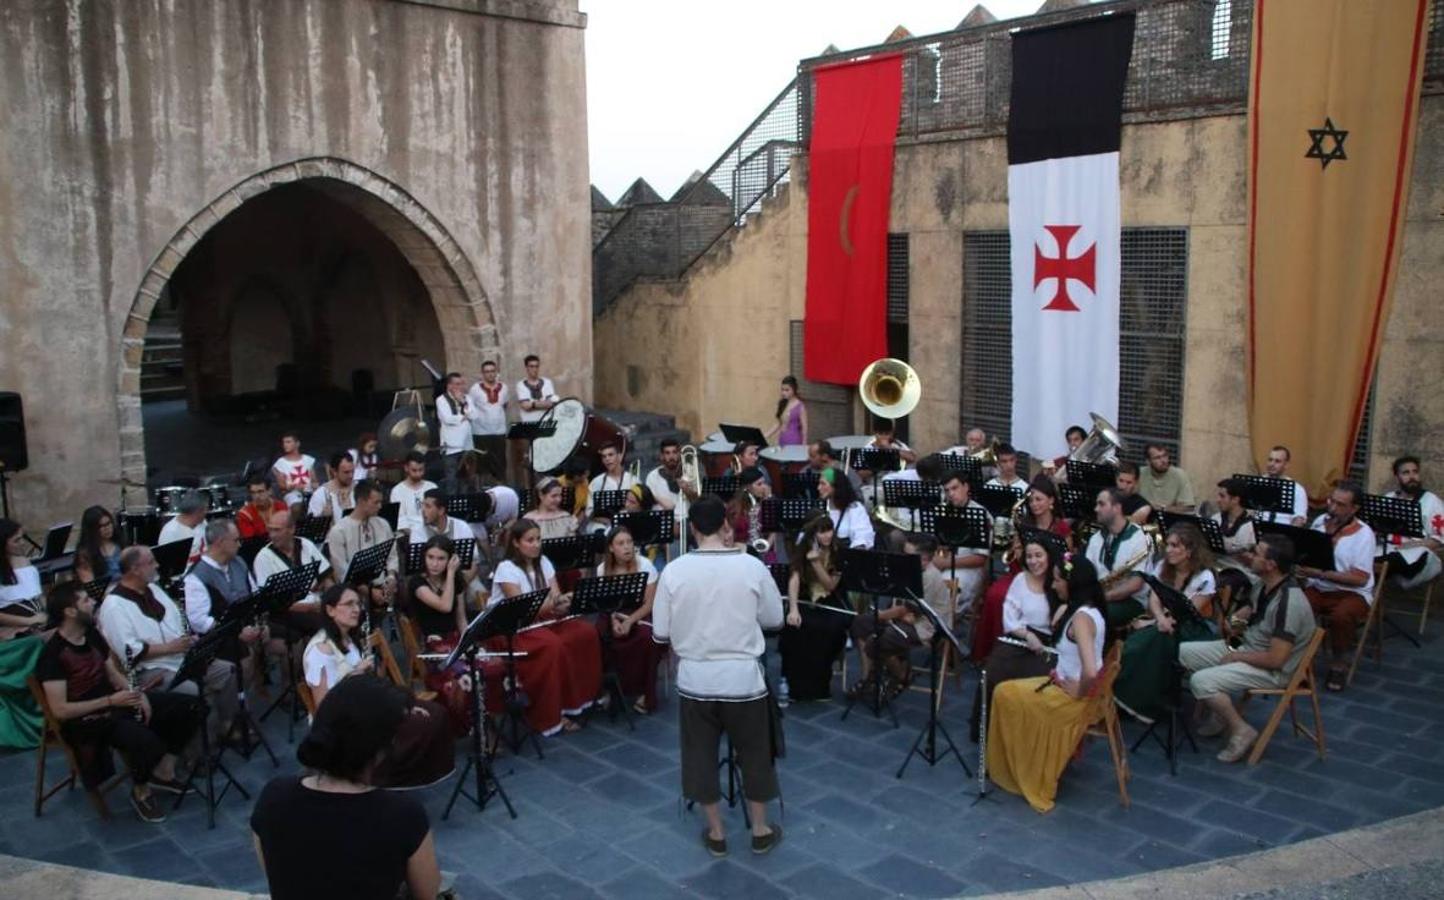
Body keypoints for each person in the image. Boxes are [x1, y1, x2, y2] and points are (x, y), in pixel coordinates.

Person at [652, 495, 783, 857]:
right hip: (743, 679)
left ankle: (716, 833)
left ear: (692, 528)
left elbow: (661, 633)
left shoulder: (674, 572)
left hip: (696, 680)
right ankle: (759, 829)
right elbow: (774, 620)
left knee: (699, 755)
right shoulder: (751, 566)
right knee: (756, 753)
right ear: (725, 525)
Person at [251, 674, 442, 900]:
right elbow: (428, 894)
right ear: (380, 749)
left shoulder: (273, 797)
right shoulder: (402, 815)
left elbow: (274, 872)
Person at [38, 582, 200, 822]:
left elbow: (112, 673)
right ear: (70, 612)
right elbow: (60, 711)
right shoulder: (53, 656)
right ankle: (141, 792)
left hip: (116, 704)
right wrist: (110, 700)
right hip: (88, 721)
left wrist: (137, 694)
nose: (93, 603)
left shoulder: (91, 635)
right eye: (85, 600)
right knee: (146, 741)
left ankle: (163, 772)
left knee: (192, 706)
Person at [986, 557, 1109, 813]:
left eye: (1058, 580)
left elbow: (1090, 670)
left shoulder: (1082, 620)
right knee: (1005, 690)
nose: (1054, 585)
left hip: (1072, 698)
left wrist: (1079, 691)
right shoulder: (1083, 610)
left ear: (1071, 583)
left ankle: (1020, 768)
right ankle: (1018, 762)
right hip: (1062, 682)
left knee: (1004, 694)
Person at [1182, 534, 1318, 763]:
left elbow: (1276, 659)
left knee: (1201, 681)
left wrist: (1237, 656)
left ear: (1271, 565)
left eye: (1256, 553)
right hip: (1249, 647)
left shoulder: (1289, 603)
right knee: (1183, 652)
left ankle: (1240, 729)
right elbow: (1254, 615)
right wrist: (1234, 622)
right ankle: (1219, 711)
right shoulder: (1264, 586)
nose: (1250, 557)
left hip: (1273, 670)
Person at [302, 585, 455, 788]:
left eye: (357, 603)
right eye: (348, 604)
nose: (356, 609)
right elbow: (324, 707)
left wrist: (399, 702)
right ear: (330, 610)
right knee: (419, 724)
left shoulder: (347, 638)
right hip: (345, 721)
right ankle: (387, 779)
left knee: (436, 712)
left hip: (366, 707)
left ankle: (408, 775)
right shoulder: (321, 650)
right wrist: (356, 674)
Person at [98, 547, 238, 742]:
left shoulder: (154, 589)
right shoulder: (114, 606)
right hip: (151, 670)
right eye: (151, 562)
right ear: (135, 569)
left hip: (182, 658)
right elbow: (129, 651)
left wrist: (188, 640)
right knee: (192, 690)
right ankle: (194, 753)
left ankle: (227, 727)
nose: (157, 565)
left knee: (227, 671)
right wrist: (170, 647)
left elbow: (176, 623)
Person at [487, 519, 602, 735]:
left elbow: (554, 596)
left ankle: (580, 701)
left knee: (586, 632)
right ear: (516, 543)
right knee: (552, 645)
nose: (536, 544)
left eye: (538, 539)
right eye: (530, 540)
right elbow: (522, 609)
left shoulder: (544, 562)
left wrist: (564, 602)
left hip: (542, 619)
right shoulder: (506, 568)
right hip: (512, 628)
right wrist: (556, 603)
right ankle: (551, 713)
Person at [1112, 523, 1218, 724]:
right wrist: (1159, 619)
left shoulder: (1205, 577)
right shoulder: (1163, 567)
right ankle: (1129, 698)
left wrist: (1156, 623)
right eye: (1168, 544)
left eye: (1175, 546)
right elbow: (1154, 598)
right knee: (1143, 641)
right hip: (1164, 623)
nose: (1168, 550)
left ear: (1189, 551)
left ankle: (1143, 703)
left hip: (1192, 630)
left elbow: (1191, 612)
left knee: (1146, 642)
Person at [971, 478, 1072, 662]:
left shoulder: (1061, 527)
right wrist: (1020, 551)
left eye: (1039, 499)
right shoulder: (1025, 524)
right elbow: (1017, 553)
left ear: (1051, 501)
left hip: (1051, 577)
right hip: (1023, 572)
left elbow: (1067, 557)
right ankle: (994, 651)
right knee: (995, 595)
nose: (1034, 504)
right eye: (1031, 500)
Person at [971, 536, 1060, 740]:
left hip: (1047, 644)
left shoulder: (1058, 582)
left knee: (1031, 689)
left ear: (1049, 557)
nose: (1033, 561)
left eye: (1038, 555)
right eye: (1029, 556)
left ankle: (1021, 738)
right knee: (991, 674)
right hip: (1020, 636)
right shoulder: (1020, 580)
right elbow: (1009, 618)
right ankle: (987, 734)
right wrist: (1027, 635)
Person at [848, 533, 954, 703]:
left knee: (880, 640)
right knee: (861, 623)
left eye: (908, 554)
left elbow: (908, 608)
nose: (902, 557)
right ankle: (869, 677)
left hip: (926, 626)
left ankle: (902, 675)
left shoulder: (930, 576)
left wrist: (882, 616)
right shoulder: (910, 569)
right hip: (906, 618)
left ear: (924, 559)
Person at [1299, 481, 1377, 692]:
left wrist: (1321, 573)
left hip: (1351, 593)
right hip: (1319, 587)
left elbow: (1360, 579)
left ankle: (1339, 663)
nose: (1332, 508)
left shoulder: (1364, 534)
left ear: (1354, 509)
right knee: (1296, 607)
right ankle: (1298, 663)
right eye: (1331, 501)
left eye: (1341, 505)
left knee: (1341, 616)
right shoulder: (1319, 523)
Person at [778, 513, 851, 703]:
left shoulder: (839, 551)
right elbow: (794, 578)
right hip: (806, 598)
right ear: (813, 533)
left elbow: (830, 586)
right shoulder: (802, 548)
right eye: (822, 531)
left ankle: (820, 686)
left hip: (832, 600)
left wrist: (816, 563)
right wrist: (793, 608)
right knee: (795, 628)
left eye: (829, 530)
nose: (827, 535)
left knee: (827, 629)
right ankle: (794, 685)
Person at [183, 520, 264, 685]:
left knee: (284, 633)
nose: (239, 544)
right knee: (244, 658)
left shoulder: (239, 563)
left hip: (245, 624)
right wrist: (236, 632)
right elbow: (199, 622)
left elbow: (254, 594)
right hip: (218, 636)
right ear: (220, 543)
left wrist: (256, 624)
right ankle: (237, 703)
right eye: (236, 540)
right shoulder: (196, 576)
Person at [595, 525, 665, 714]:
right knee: (600, 636)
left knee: (648, 637)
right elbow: (604, 603)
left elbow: (649, 603)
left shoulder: (645, 565)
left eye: (629, 542)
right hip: (612, 613)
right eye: (621, 543)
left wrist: (629, 621)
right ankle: (609, 689)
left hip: (640, 613)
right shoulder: (603, 569)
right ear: (611, 548)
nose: (627, 547)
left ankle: (646, 693)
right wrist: (614, 621)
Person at [252, 507, 332, 637]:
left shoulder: (306, 544)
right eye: (270, 530)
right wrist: (312, 607)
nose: (272, 535)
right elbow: (271, 602)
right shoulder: (263, 558)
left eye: (277, 530)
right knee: (327, 624)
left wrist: (333, 599)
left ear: (291, 529)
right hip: (287, 612)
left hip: (318, 603)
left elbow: (327, 577)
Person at [1084, 488, 1153, 627]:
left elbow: (1135, 584)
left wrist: (1103, 597)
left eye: (1101, 504)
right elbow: (1087, 574)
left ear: (1117, 508)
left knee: (1094, 616)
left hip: (1132, 601)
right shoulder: (1096, 538)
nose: (1096, 509)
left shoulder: (1139, 538)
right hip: (1101, 596)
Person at [328, 481, 400, 610]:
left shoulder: (383, 524)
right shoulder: (339, 531)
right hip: (355, 591)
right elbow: (343, 573)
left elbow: (392, 555)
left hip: (382, 585)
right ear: (361, 501)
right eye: (376, 502)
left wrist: (391, 576)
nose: (380, 506)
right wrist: (369, 591)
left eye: (380, 502)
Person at [1383, 455, 1443, 591]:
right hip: (1387, 550)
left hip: (1417, 557)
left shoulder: (1431, 501)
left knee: (1386, 562)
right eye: (1406, 473)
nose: (1412, 477)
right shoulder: (1388, 499)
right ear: (1396, 477)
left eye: (1415, 472)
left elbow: (1440, 538)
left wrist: (1414, 545)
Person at [938, 470, 990, 610]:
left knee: (944, 588)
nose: (951, 494)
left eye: (954, 488)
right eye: (947, 490)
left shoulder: (980, 514)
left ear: (966, 487)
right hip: (946, 563)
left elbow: (980, 559)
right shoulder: (942, 511)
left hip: (969, 568)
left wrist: (945, 563)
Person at [514, 354, 559, 484]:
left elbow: (552, 403)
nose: (534, 369)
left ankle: (547, 488)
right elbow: (525, 405)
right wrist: (541, 403)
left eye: (536, 366)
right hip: (529, 426)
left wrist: (533, 403)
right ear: (526, 368)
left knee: (547, 458)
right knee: (529, 460)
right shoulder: (521, 385)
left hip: (546, 425)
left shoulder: (547, 382)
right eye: (531, 366)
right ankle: (531, 493)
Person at [466, 359, 510, 484]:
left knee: (500, 463)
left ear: (496, 372)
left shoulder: (504, 388)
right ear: (482, 374)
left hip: (499, 431)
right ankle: (484, 491)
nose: (490, 374)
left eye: (492, 371)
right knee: (482, 464)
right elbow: (470, 407)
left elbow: (505, 405)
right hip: (480, 432)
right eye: (487, 372)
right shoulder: (475, 389)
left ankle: (501, 489)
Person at [0, 518, 45, 637]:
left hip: (39, 620)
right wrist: (30, 621)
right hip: (15, 629)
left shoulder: (25, 562)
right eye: (16, 540)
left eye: (22, 538)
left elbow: (38, 596)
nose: (22, 543)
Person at [646, 438, 698, 529]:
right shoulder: (652, 476)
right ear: (662, 456)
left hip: (689, 521)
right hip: (665, 523)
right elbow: (649, 503)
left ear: (679, 454)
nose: (671, 457)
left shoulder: (689, 474)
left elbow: (697, 502)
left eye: (674, 452)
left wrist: (687, 491)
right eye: (667, 453)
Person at [728, 468, 778, 562]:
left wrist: (766, 546)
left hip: (764, 551)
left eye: (764, 483)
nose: (764, 487)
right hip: (743, 552)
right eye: (759, 484)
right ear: (747, 487)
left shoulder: (766, 503)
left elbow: (773, 531)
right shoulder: (735, 507)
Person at [584, 443, 638, 528]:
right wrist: (609, 521)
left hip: (628, 523)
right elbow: (589, 511)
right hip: (602, 525)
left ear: (620, 456)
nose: (607, 459)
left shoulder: (633, 480)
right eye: (604, 456)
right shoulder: (596, 482)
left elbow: (640, 506)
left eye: (610, 455)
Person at [819, 466, 873, 551]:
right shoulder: (820, 509)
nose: (818, 488)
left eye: (823, 484)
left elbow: (862, 535)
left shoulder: (855, 508)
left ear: (835, 486)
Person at [73, 506, 127, 586]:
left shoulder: (120, 543)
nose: (107, 528)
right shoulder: (85, 553)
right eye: (101, 526)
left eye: (109, 523)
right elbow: (90, 584)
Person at [436, 372, 473, 489]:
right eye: (457, 384)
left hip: (466, 445)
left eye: (462, 384)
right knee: (451, 479)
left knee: (466, 479)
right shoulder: (441, 400)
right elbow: (447, 419)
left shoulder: (467, 398)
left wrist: (462, 403)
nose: (460, 387)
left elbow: (474, 415)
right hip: (451, 446)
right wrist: (464, 416)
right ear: (449, 386)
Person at [1212, 478, 1259, 569]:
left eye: (1222, 496)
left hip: (1240, 573)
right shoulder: (1216, 519)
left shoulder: (1251, 527)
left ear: (1235, 500)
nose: (1218, 500)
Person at [389, 451, 437, 538]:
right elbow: (401, 521)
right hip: (407, 537)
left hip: (431, 534)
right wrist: (416, 536)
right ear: (406, 468)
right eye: (414, 470)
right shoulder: (397, 491)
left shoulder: (432, 486)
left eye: (421, 470)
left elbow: (437, 515)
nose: (418, 474)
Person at [1259, 445, 1309, 525]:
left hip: (1282, 533)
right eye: (1270, 460)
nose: (1272, 464)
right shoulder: (1258, 483)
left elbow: (1299, 519)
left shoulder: (1297, 490)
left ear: (1286, 465)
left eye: (1277, 461)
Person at [157, 490, 208, 568]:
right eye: (205, 509)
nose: (206, 512)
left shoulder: (203, 522)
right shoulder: (170, 533)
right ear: (198, 512)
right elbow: (168, 567)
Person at [1137, 444, 1195, 511]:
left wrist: (1163, 508)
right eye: (1157, 458)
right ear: (1148, 461)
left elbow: (1188, 507)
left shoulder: (1179, 475)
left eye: (1165, 456)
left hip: (1170, 518)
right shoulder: (1140, 473)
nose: (1163, 461)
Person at [308, 451, 357, 523]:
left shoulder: (360, 489)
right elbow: (311, 525)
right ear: (334, 471)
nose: (351, 476)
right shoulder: (321, 494)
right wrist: (323, 517)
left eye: (352, 471)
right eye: (346, 472)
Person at [272, 432, 318, 505]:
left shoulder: (308, 459)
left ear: (297, 444)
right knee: (297, 504)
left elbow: (314, 480)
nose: (285, 445)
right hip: (291, 493)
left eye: (288, 442)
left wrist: (316, 490)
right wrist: (293, 487)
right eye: (284, 443)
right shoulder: (280, 463)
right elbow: (281, 486)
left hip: (309, 492)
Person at [764, 375, 808, 447]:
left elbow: (804, 428)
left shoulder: (800, 406)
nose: (784, 392)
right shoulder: (783, 403)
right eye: (782, 389)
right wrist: (766, 435)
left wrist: (804, 444)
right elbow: (779, 423)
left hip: (794, 439)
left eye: (787, 390)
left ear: (794, 390)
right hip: (782, 438)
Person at [236, 474, 282, 540]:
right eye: (253, 493)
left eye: (260, 491)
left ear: (270, 491)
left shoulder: (281, 507)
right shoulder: (244, 515)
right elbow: (251, 542)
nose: (256, 496)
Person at [1115, 461, 1155, 526]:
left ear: (1135, 482)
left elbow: (1127, 525)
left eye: (1129, 482)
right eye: (1121, 481)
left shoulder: (1143, 506)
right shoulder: (1107, 497)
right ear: (1116, 479)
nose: (1124, 486)